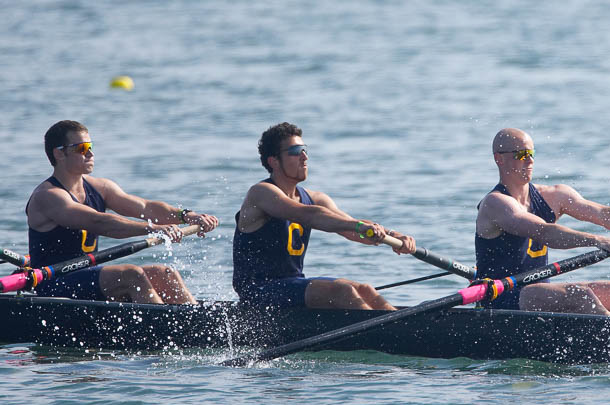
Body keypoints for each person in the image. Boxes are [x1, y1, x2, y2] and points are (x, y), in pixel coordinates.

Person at [474, 128, 610, 318]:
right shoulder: (495, 203)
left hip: (538, 294)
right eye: (520, 155)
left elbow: (604, 214)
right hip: (502, 299)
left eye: (531, 154)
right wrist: (596, 240)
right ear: (499, 159)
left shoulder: (553, 195)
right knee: (580, 296)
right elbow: (544, 232)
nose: (529, 160)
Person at [25, 120, 220, 304]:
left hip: (89, 276)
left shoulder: (101, 187)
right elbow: (101, 223)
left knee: (165, 273)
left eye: (90, 146)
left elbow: (146, 207)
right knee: (131, 274)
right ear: (59, 154)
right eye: (81, 148)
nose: (90, 154)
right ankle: (166, 331)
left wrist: (186, 215)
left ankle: (197, 325)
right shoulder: (48, 196)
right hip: (53, 283)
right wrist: (153, 229)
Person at [233, 122, 417, 311]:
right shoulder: (261, 193)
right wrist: (357, 226)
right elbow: (308, 215)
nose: (304, 157)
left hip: (291, 286)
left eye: (305, 150)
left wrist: (393, 235)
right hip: (258, 292)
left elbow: (350, 229)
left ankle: (406, 331)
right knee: (342, 291)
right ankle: (386, 335)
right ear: (274, 161)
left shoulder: (315, 198)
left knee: (365, 290)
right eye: (295, 151)